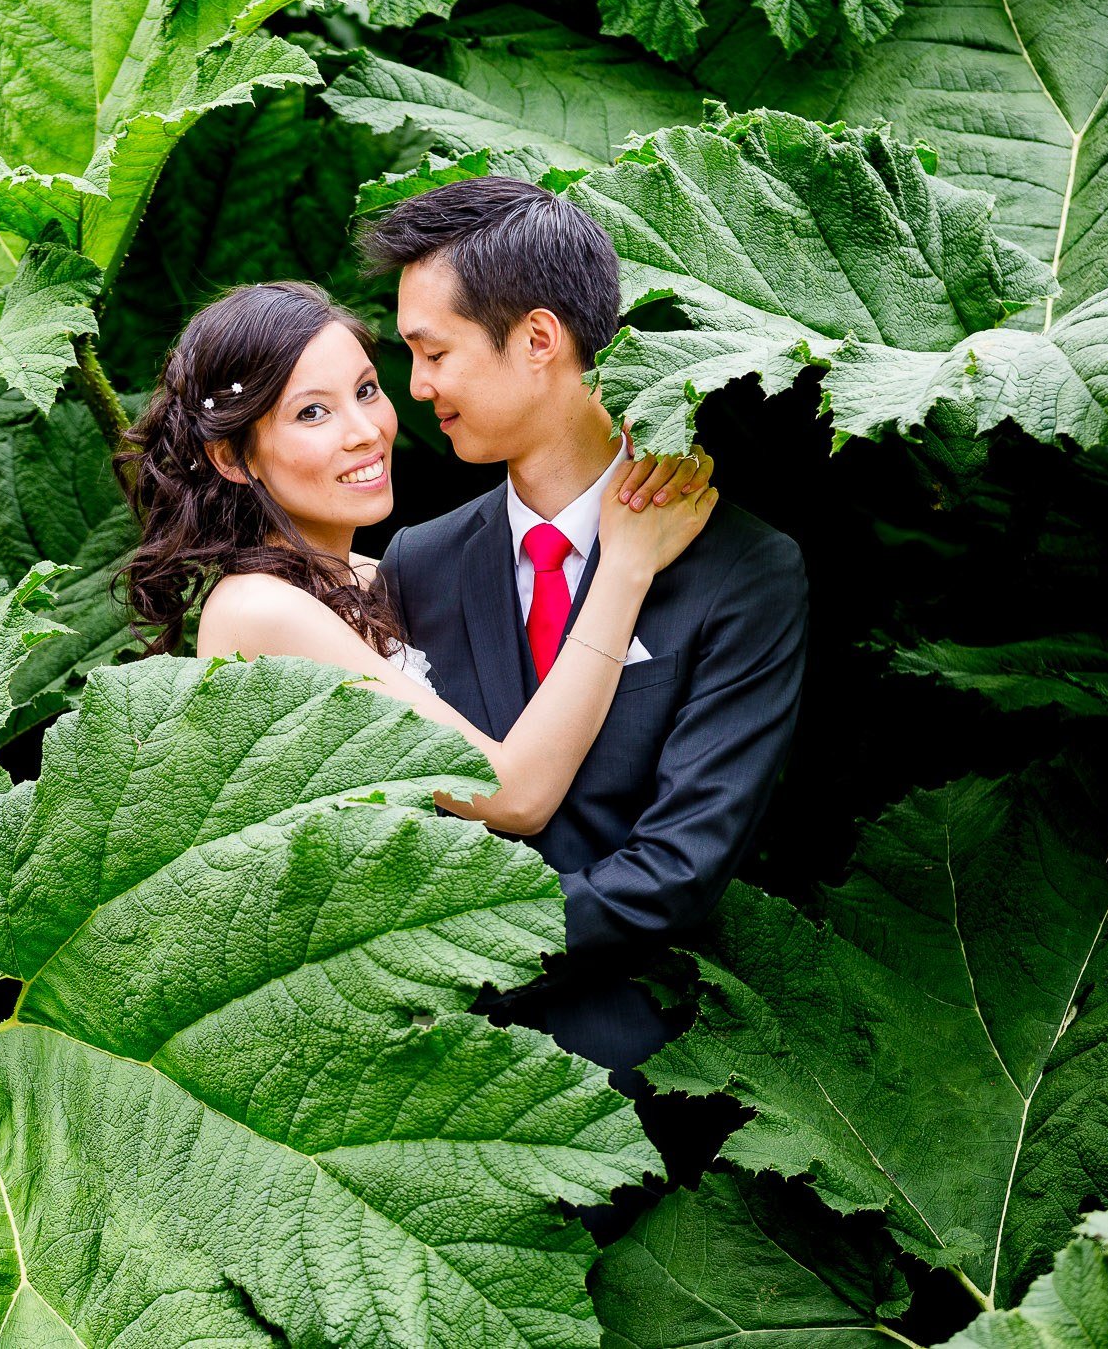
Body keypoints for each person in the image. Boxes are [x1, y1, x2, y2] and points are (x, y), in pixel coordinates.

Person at [362, 176, 810, 1094]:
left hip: (649, 1063)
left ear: (536, 340)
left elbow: (680, 866)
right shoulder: (419, 561)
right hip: (425, 1054)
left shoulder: (745, 570)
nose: (417, 388)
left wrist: (466, 942)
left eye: (433, 351)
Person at [116, 276, 717, 840]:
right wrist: (624, 567)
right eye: (312, 412)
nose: (365, 432)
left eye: (365, 391)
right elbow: (511, 797)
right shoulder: (258, 608)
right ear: (229, 457)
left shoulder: (376, 578)